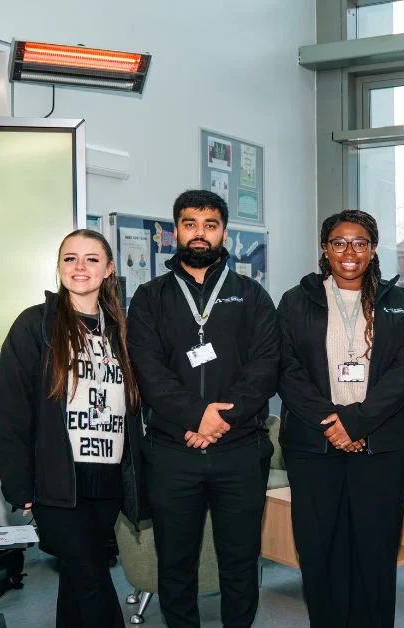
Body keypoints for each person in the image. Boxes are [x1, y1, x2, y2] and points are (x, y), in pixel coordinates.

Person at [126, 189, 279, 628]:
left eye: (210, 225)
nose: (200, 233)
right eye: (190, 224)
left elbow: (265, 367)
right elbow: (149, 372)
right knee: (175, 564)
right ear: (176, 231)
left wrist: (220, 420)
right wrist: (197, 417)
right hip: (174, 452)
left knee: (240, 561)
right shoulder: (150, 298)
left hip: (240, 451)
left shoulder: (251, 296)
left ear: (223, 233)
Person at [0, 229, 145, 628]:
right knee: (93, 580)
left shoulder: (121, 330)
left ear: (109, 269)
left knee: (78, 583)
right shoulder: (35, 325)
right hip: (59, 484)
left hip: (106, 481)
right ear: (59, 267)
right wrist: (18, 485)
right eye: (70, 258)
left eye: (92, 259)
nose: (80, 267)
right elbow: (10, 412)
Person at [277, 210, 404, 627]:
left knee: (375, 551)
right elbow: (287, 370)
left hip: (380, 448)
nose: (349, 252)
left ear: (373, 250)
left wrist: (357, 423)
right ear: (324, 249)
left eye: (360, 243)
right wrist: (332, 423)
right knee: (320, 549)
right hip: (314, 448)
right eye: (339, 242)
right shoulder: (296, 301)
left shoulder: (397, 302)